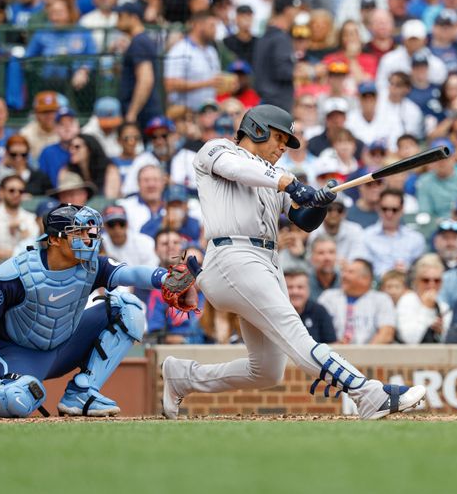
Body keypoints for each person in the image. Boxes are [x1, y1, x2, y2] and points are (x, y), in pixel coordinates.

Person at [161, 104, 426, 421]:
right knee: (297, 337)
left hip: (266, 262)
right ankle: (366, 393)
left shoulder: (273, 177)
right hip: (233, 256)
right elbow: (238, 170)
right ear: (257, 129)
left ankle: (183, 377)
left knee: (266, 371)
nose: (283, 146)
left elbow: (303, 219)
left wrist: (319, 203)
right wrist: (291, 183)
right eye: (279, 137)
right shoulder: (219, 150)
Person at [0, 203, 198, 417]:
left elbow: (132, 273)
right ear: (53, 239)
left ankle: (83, 391)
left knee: (128, 309)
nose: (88, 239)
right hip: (17, 351)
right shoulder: (16, 272)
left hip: (65, 344)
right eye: (78, 233)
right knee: (19, 400)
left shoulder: (92, 265)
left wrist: (166, 279)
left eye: (89, 232)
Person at [0, 175, 39, 271]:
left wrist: (22, 230)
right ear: (1, 192)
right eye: (11, 190)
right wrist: (19, 252)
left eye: (20, 191)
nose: (16, 194)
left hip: (26, 271)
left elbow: (35, 252)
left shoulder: (31, 218)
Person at [362, 188, 426, 278]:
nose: (389, 214)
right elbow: (363, 269)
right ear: (378, 208)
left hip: (407, 285)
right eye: (385, 209)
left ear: (402, 209)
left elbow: (420, 270)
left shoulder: (416, 238)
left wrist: (407, 271)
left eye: (394, 209)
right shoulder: (366, 236)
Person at [116, 2, 161, 129]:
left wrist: (132, 113)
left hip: (143, 114)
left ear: (134, 18)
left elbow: (146, 80)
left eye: (121, 16)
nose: (117, 19)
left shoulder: (139, 41)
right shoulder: (140, 41)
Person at [252, 0, 300, 111]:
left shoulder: (264, 36)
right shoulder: (281, 38)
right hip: (277, 103)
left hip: (265, 100)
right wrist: (309, 72)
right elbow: (284, 71)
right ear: (287, 10)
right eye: (295, 9)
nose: (296, 13)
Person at [396, 254, 452, 344]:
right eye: (426, 280)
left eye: (437, 280)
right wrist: (427, 309)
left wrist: (440, 332)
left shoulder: (443, 306)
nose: (431, 285)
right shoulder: (407, 301)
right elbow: (410, 339)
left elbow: (448, 341)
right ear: (416, 281)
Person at [285, 268, 337, 344]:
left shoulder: (320, 311)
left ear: (308, 289)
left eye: (300, 287)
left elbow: (332, 345)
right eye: (290, 287)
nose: (295, 292)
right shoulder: (275, 313)